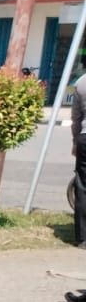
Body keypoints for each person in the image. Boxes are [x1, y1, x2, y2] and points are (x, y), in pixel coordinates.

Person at [70, 69, 86, 247]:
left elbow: (76, 117)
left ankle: (83, 238)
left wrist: (75, 141)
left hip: (84, 137)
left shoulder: (81, 82)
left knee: (82, 186)